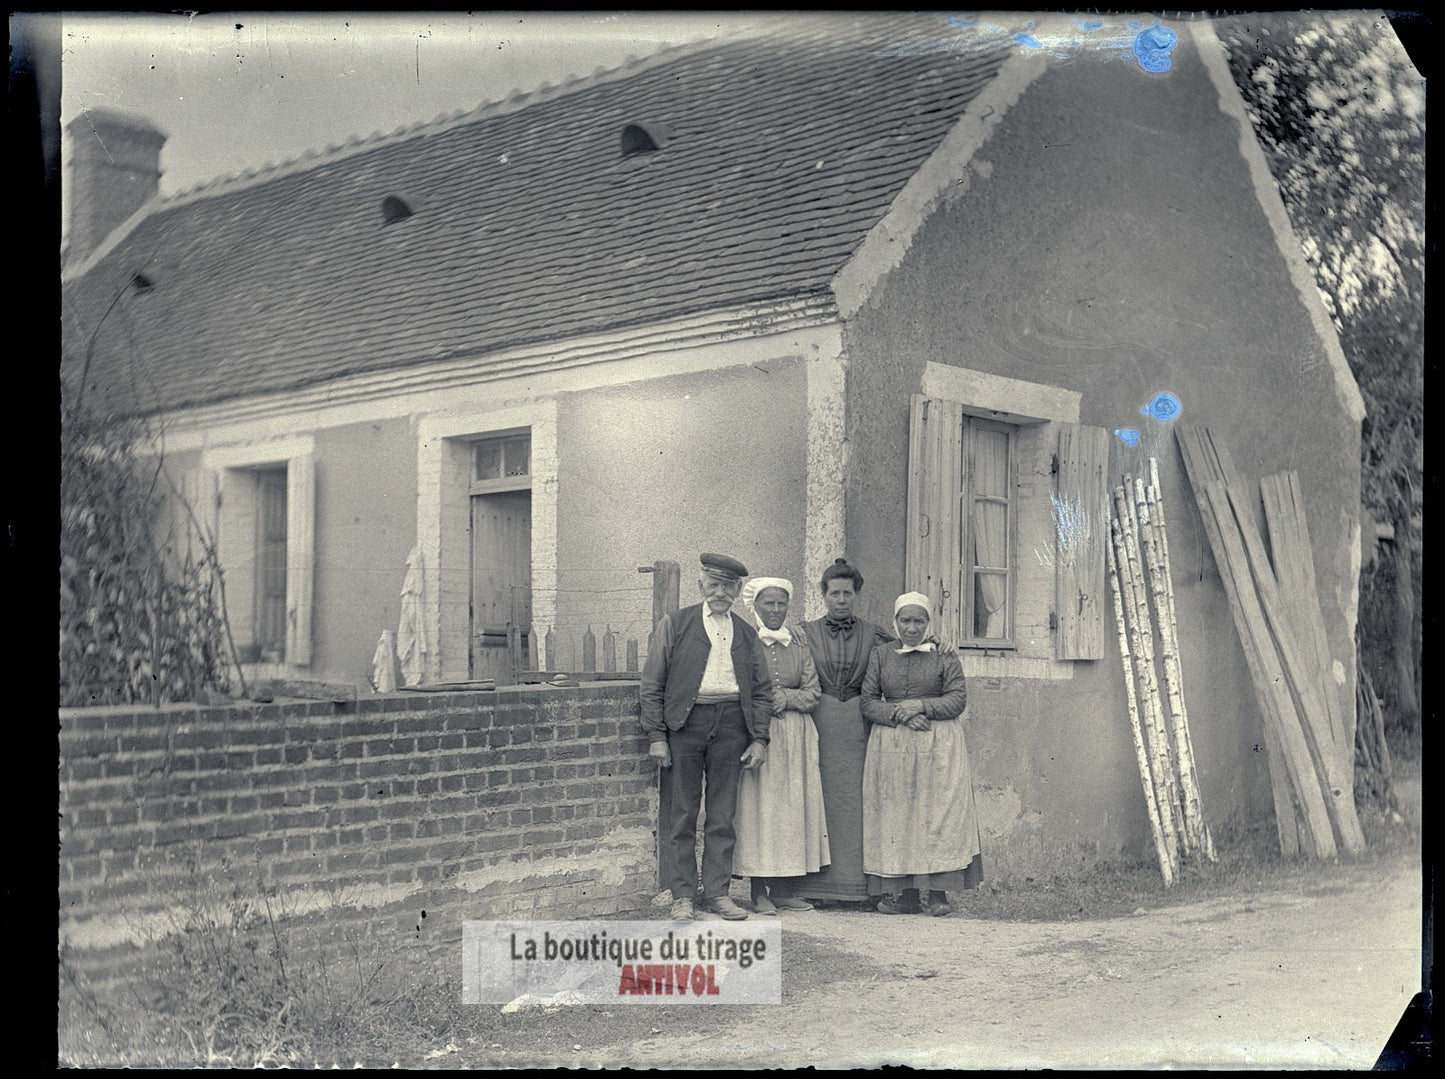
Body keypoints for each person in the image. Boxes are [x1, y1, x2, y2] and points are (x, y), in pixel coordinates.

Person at [640, 553, 773, 922]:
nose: (720, 593)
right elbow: (652, 683)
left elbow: (762, 691)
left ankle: (717, 892)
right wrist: (657, 735)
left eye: (727, 586)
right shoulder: (677, 624)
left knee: (722, 816)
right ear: (701, 587)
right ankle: (683, 894)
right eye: (713, 585)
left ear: (737, 590)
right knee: (682, 813)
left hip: (732, 725)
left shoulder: (746, 634)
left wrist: (759, 738)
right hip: (686, 724)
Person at [860, 591, 983, 916]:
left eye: (918, 621)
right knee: (900, 817)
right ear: (895, 622)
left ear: (929, 623)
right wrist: (900, 713)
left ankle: (940, 893)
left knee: (938, 814)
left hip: (938, 744)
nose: (911, 628)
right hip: (893, 744)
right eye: (905, 620)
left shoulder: (945, 655)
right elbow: (868, 701)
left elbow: (957, 699)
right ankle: (907, 895)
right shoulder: (881, 655)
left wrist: (923, 706)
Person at [797, 558, 895, 907]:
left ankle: (859, 889)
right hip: (819, 722)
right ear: (823, 595)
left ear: (856, 596)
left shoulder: (876, 634)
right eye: (834, 593)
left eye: (847, 593)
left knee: (855, 803)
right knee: (819, 800)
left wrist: (938, 643)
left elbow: (907, 653)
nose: (841, 600)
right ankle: (818, 890)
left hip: (857, 724)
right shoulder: (803, 632)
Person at [731, 577, 829, 914]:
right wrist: (763, 703)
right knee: (762, 811)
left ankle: (785, 889)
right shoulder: (744, 640)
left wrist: (783, 697)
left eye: (781, 604)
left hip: (797, 735)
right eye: (768, 604)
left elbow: (812, 691)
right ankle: (759, 891)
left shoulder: (798, 643)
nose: (775, 610)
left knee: (791, 809)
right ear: (754, 606)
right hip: (759, 733)